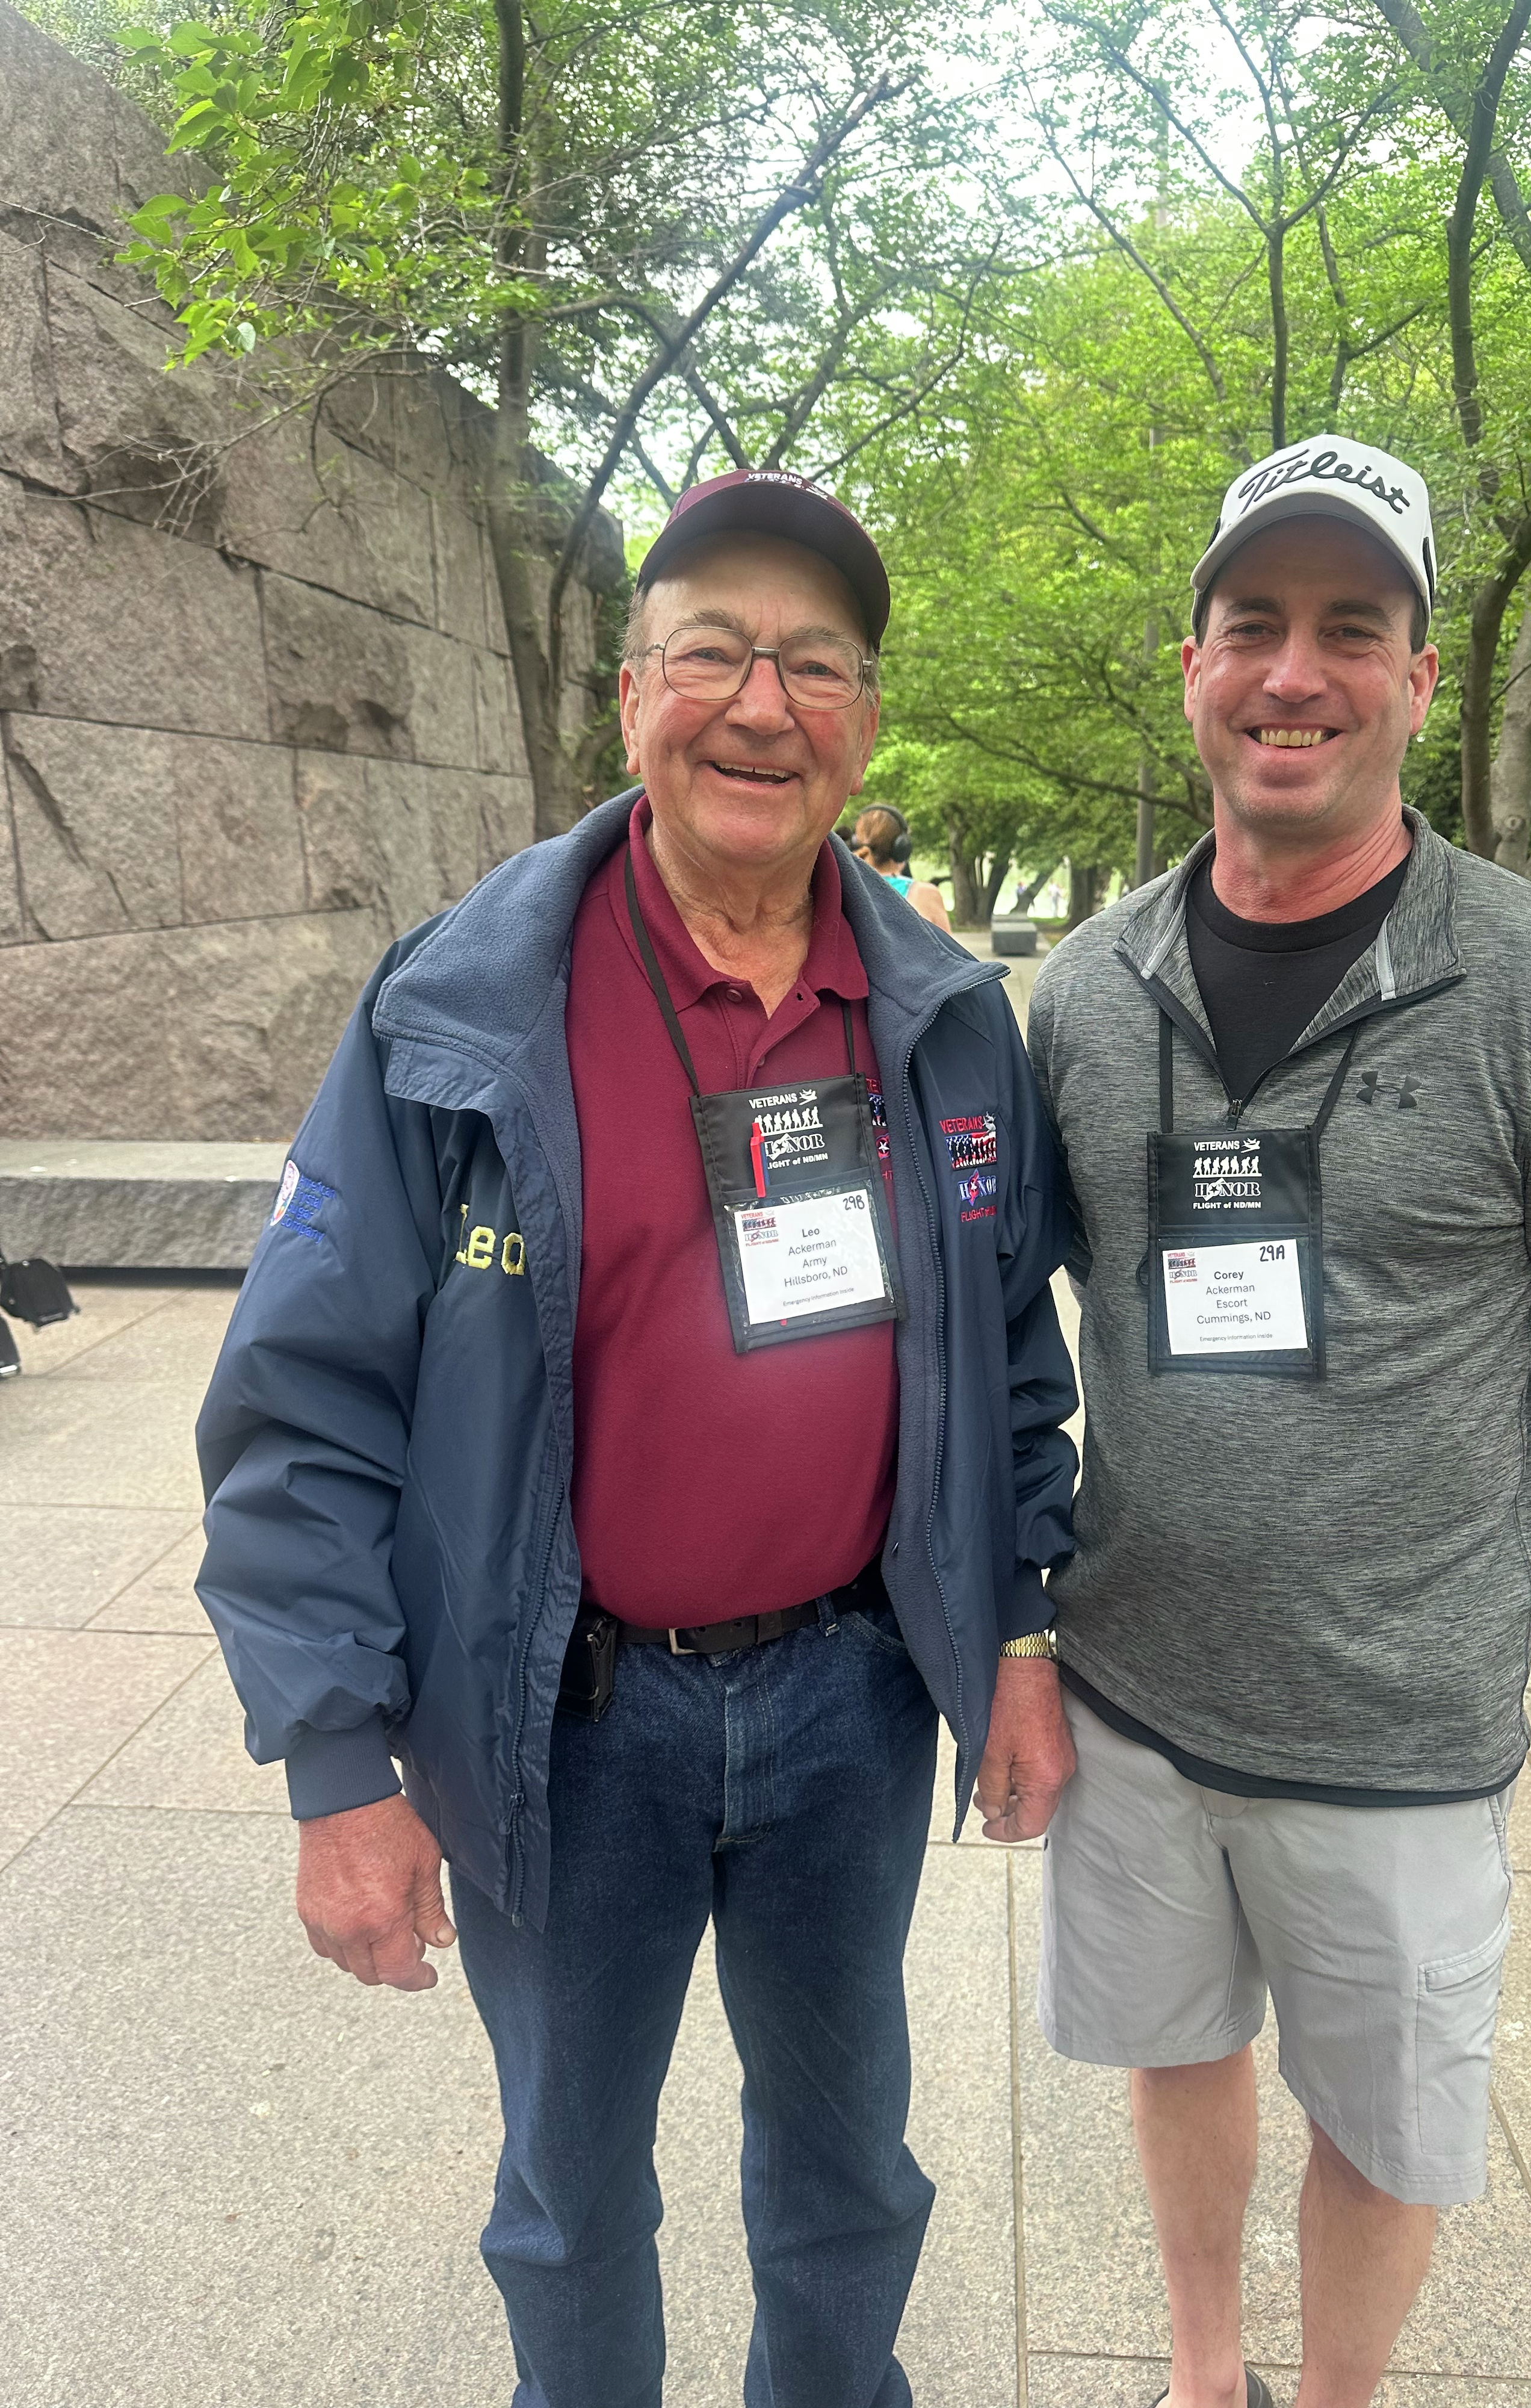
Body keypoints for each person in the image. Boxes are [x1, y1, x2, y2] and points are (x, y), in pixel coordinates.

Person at [194, 467, 1080, 2408]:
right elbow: (304, 1397)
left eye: (815, 665)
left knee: (850, 2170)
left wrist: (1015, 1630)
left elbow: (1012, 1350)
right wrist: (339, 1763)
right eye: (712, 654)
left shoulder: (939, 1012)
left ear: (863, 717)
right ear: (627, 694)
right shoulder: (455, 1003)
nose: (761, 705)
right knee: (568, 2189)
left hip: (856, 1701)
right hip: (560, 1717)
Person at [1027, 433, 1531, 2408]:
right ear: (1194, 667)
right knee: (1177, 2052)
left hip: (1395, 1726)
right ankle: (1201, 2369)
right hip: (1136, 1689)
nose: (1293, 672)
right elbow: (1032, 1312)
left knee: (1384, 2124)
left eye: (1351, 629)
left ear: (1419, 678)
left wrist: (1440, 1504)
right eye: (1255, 627)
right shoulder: (1081, 993)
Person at [850, 802, 953, 928]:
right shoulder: (925, 894)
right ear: (902, 848)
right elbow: (947, 947)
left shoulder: (843, 889)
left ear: (856, 842)